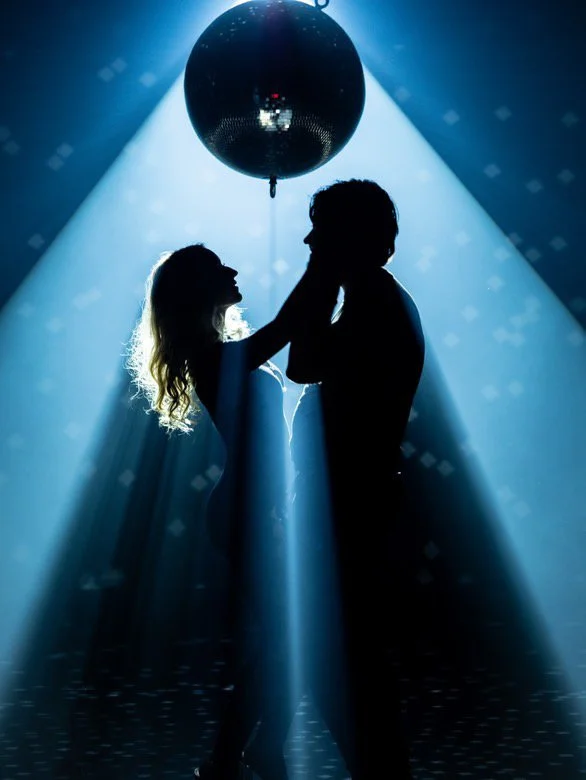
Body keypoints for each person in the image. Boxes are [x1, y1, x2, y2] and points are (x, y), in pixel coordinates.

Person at [243, 178, 425, 779]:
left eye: (321, 231)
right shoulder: (379, 296)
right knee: (330, 649)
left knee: (336, 654)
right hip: (353, 496)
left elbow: (303, 363)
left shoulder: (372, 300)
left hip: (350, 501)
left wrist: (316, 281)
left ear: (349, 236)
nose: (308, 239)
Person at [126, 243, 303, 780]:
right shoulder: (211, 355)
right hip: (246, 511)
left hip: (260, 507)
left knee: (284, 638)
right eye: (220, 267)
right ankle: (231, 755)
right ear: (200, 289)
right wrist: (323, 272)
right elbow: (286, 327)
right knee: (282, 638)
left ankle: (255, 750)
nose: (234, 269)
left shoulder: (223, 347)